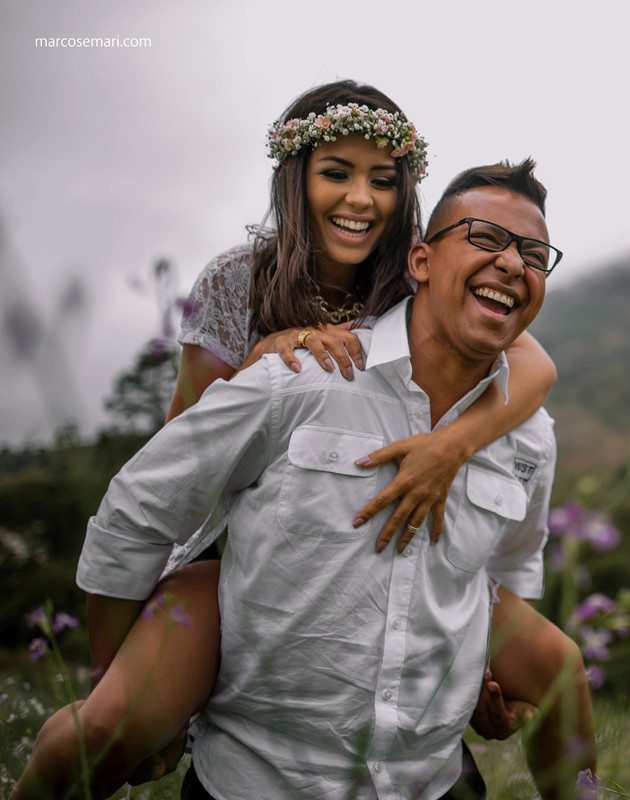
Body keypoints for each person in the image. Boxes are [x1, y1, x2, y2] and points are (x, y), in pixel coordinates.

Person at [10, 83, 592, 799]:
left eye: (383, 180)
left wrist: (453, 445)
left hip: (416, 543)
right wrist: (266, 363)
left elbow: (532, 365)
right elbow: (179, 458)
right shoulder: (240, 280)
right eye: (336, 172)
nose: (361, 197)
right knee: (110, 731)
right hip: (239, 548)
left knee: (558, 667)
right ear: (295, 179)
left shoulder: (408, 285)